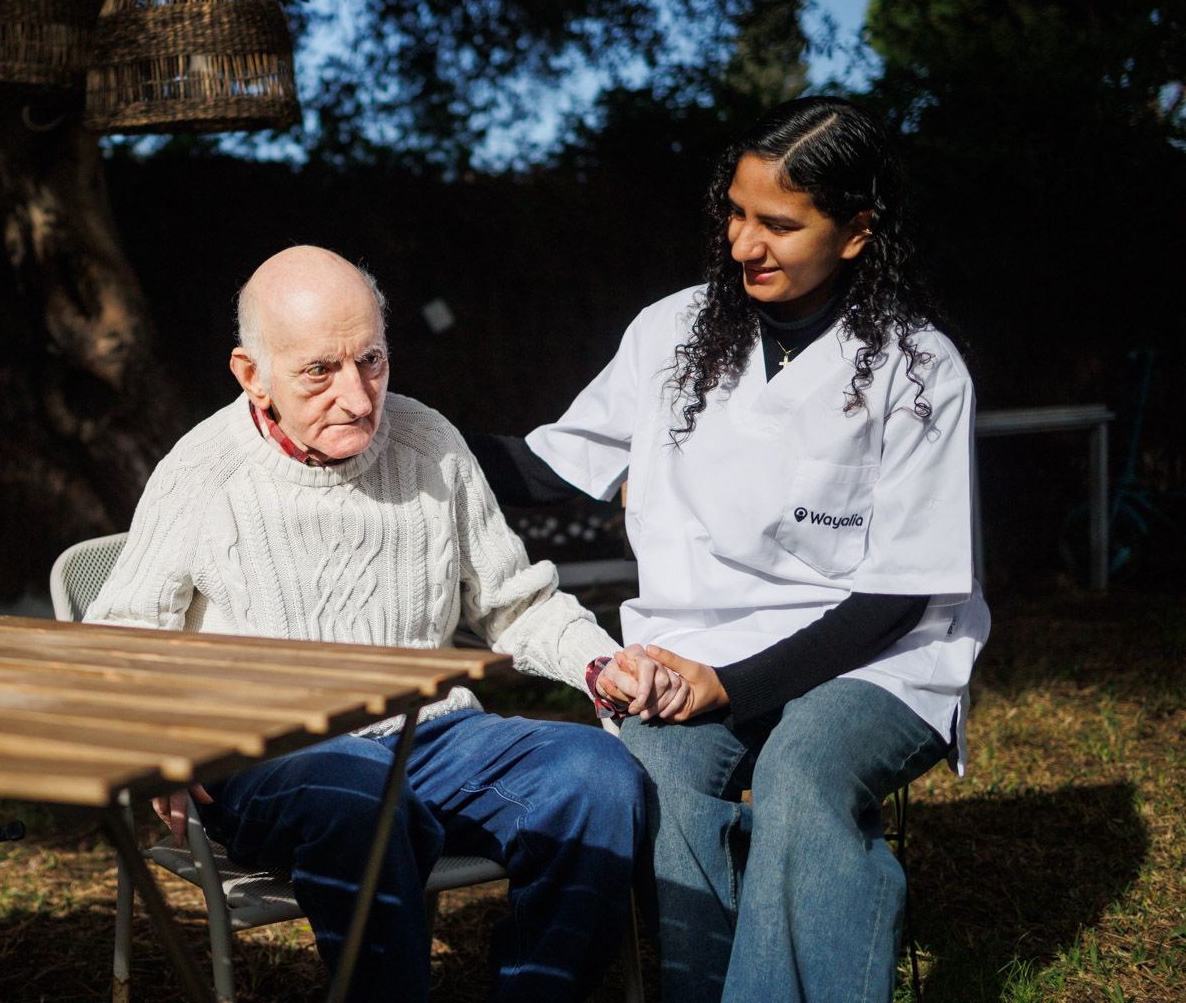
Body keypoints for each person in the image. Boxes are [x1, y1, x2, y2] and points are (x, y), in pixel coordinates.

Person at [469, 97, 990, 1003]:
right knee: (657, 775)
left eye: (780, 225)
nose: (745, 244)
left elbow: (901, 595)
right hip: (694, 647)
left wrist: (734, 690)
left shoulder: (921, 368)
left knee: (802, 767)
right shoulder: (671, 331)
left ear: (857, 231)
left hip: (877, 657)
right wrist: (398, 430)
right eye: (737, 213)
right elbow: (553, 469)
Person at [86, 245, 653, 1003]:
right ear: (252, 375)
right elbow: (122, 639)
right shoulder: (202, 473)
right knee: (355, 794)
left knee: (599, 779)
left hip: (431, 736)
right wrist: (163, 747)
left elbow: (515, 601)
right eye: (320, 370)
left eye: (373, 360)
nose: (358, 397)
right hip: (275, 753)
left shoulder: (430, 443)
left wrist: (597, 665)